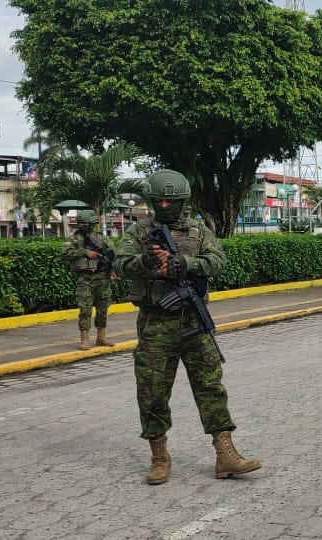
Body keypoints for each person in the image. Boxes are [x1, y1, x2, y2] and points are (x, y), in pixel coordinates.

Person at [116, 169, 260, 485]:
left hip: (194, 319)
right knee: (152, 391)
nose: (165, 205)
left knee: (210, 387)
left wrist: (186, 264)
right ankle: (160, 457)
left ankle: (226, 455)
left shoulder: (198, 230)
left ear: (183, 201)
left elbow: (218, 262)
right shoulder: (139, 232)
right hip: (156, 324)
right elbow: (120, 264)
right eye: (159, 201)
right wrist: (145, 262)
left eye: (171, 201)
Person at [63, 209, 115, 350]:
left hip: (102, 278)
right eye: (83, 223)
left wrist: (113, 271)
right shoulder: (74, 239)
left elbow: (112, 256)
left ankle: (101, 337)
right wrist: (85, 252)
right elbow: (66, 253)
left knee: (102, 309)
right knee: (85, 309)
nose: (85, 226)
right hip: (85, 278)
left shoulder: (101, 238)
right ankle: (85, 339)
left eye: (88, 223)